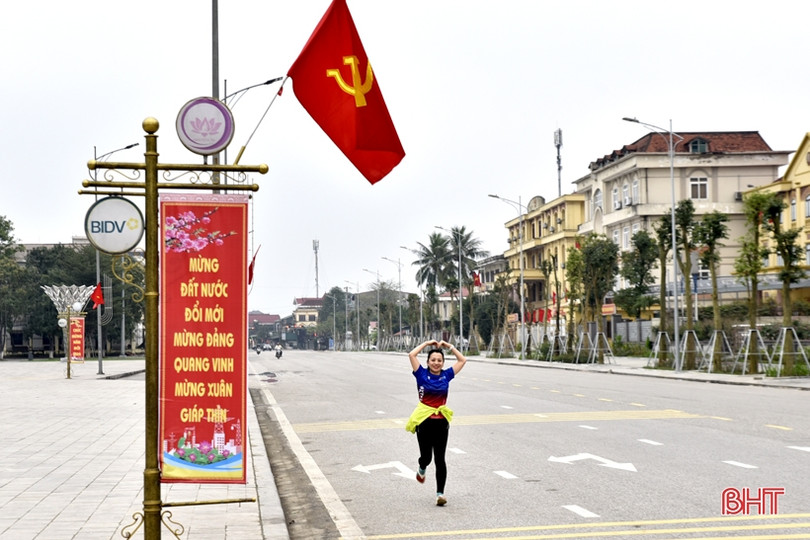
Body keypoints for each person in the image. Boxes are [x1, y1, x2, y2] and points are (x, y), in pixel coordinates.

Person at [405, 339, 466, 506]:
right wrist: (426, 344)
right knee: (427, 457)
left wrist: (450, 347)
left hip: (441, 423)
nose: (436, 363)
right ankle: (421, 467)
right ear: (428, 362)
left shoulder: (447, 375)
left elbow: (462, 360)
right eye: (433, 360)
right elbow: (411, 354)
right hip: (424, 421)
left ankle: (440, 494)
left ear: (443, 362)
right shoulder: (421, 374)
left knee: (440, 459)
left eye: (439, 360)